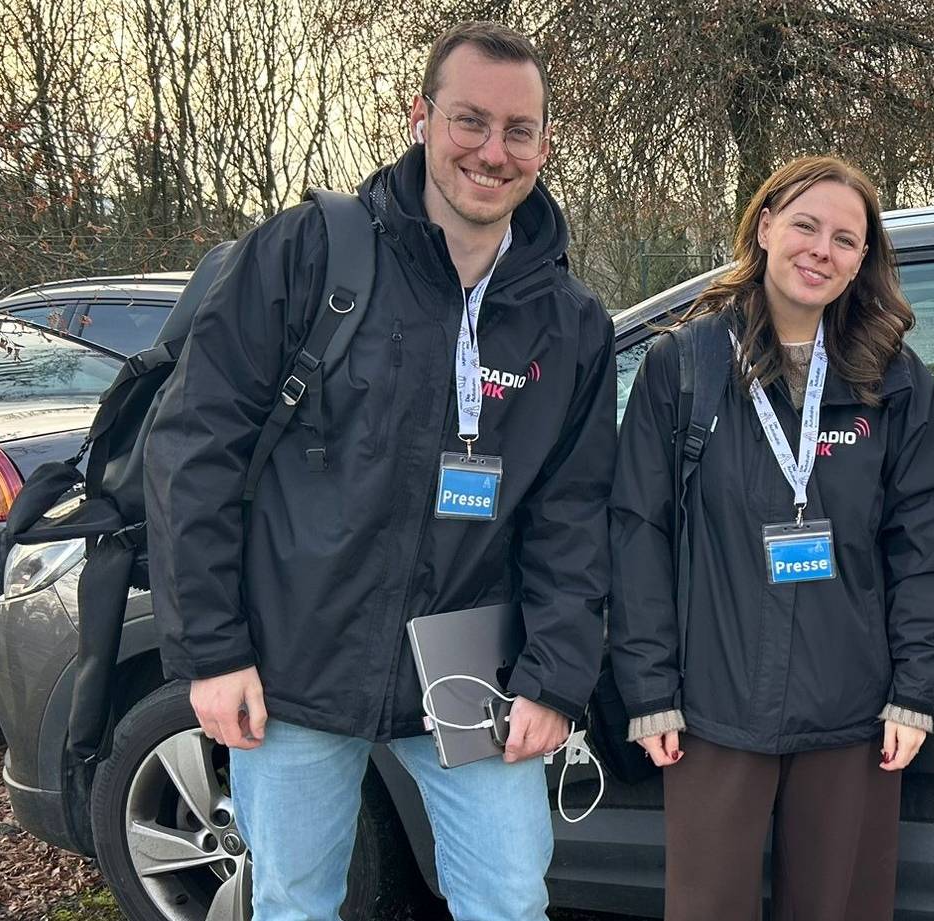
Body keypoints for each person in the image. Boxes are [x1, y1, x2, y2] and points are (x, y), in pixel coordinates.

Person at [144, 21, 615, 920]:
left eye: (519, 130)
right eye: (470, 120)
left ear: (545, 145)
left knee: (511, 902)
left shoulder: (569, 321)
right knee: (293, 904)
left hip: (472, 679)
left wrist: (555, 679)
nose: (492, 150)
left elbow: (573, 515)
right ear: (421, 118)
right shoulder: (308, 252)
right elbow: (195, 451)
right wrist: (213, 651)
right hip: (292, 664)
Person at [608, 155, 934, 921]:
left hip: (852, 709)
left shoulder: (892, 380)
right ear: (765, 226)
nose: (821, 250)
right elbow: (637, 531)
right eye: (806, 225)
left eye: (845, 238)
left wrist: (912, 690)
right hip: (712, 709)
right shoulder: (685, 368)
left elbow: (928, 544)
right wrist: (649, 691)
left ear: (862, 259)